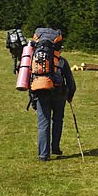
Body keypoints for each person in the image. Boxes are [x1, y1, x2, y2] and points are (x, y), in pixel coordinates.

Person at [29, 29, 76, 161]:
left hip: (41, 93)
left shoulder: (36, 61)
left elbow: (30, 80)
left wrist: (32, 100)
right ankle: (55, 147)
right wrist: (70, 95)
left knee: (43, 124)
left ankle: (43, 155)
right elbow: (70, 81)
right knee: (57, 121)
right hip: (59, 94)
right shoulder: (62, 62)